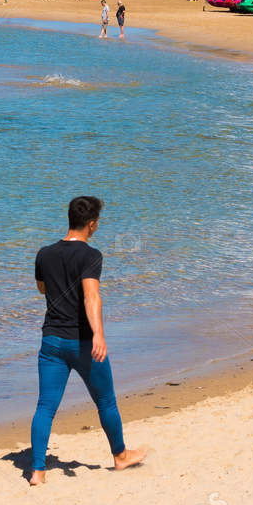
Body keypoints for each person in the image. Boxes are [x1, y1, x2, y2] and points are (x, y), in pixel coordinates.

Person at [29, 196, 147, 486]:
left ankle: (37, 471)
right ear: (92, 225)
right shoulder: (91, 255)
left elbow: (42, 289)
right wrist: (99, 334)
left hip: (51, 341)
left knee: (45, 406)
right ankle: (120, 456)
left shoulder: (44, 254)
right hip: (82, 342)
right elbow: (91, 296)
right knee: (105, 401)